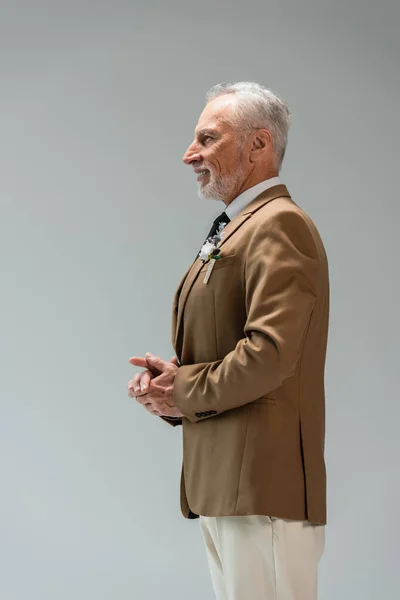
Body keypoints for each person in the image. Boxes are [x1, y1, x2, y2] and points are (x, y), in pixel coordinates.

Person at [128, 81, 329, 600]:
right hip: (224, 483)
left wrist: (184, 388)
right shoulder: (239, 226)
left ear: (259, 144)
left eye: (207, 139)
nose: (189, 154)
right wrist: (169, 388)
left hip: (262, 486)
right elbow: (228, 348)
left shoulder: (280, 225)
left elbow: (269, 355)